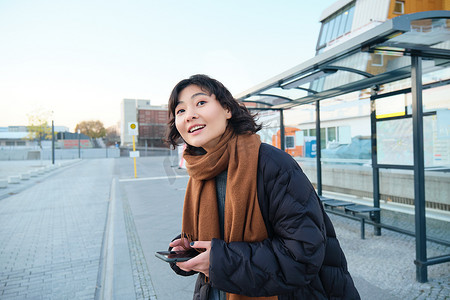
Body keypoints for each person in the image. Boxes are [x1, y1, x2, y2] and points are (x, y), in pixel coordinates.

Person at [165, 74, 360, 300]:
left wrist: (220, 261)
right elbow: (222, 235)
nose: (190, 115)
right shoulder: (200, 171)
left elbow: (303, 255)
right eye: (181, 111)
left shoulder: (272, 164)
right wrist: (189, 249)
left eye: (200, 103)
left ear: (227, 109)